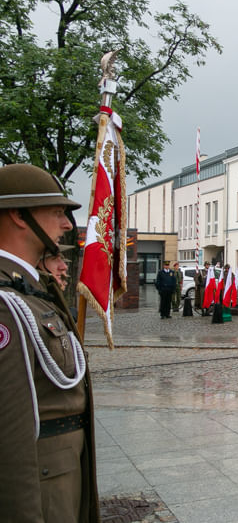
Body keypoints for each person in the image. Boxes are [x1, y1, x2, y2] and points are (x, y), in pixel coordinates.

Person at [0, 163, 99, 522]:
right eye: (57, 212)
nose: (67, 224)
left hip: (61, 478)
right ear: (19, 216)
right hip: (39, 489)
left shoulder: (29, 290)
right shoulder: (6, 302)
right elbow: (9, 432)